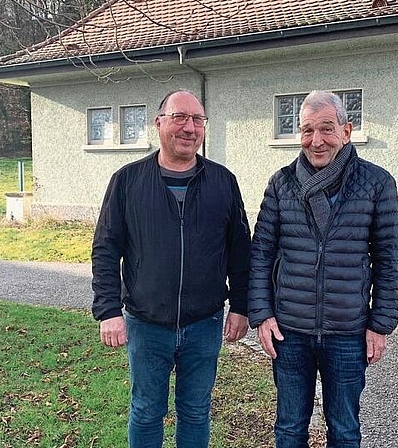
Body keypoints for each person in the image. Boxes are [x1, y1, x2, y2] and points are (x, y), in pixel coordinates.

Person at [91, 89, 251, 448]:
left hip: (204, 323)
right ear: (159, 122)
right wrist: (108, 310)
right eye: (180, 117)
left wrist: (241, 306)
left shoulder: (223, 181)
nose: (189, 127)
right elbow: (105, 248)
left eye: (197, 119)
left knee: (196, 411)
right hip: (146, 323)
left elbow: (241, 250)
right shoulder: (127, 181)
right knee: (147, 410)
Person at [248, 90, 398, 447]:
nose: (316, 141)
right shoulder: (281, 182)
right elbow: (261, 254)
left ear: (346, 131)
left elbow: (388, 260)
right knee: (288, 429)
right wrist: (262, 315)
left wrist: (379, 325)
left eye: (326, 129)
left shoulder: (377, 183)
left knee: (344, 430)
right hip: (290, 332)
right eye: (307, 130)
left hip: (347, 332)